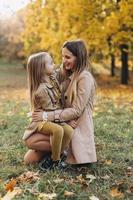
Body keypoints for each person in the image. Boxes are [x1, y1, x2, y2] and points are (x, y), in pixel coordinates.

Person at [24, 39, 97, 165]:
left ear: (79, 57)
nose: (63, 61)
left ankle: (58, 156)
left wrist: (46, 116)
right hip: (61, 123)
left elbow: (76, 110)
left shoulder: (84, 78)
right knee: (29, 154)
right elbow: (46, 76)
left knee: (32, 143)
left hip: (74, 127)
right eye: (63, 56)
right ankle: (56, 152)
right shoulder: (65, 72)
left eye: (68, 57)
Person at [23, 52, 73, 168]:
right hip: (42, 121)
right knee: (58, 130)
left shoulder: (52, 79)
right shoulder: (41, 90)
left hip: (52, 117)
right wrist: (65, 116)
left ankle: (57, 154)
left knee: (69, 130)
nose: (54, 64)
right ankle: (55, 161)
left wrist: (66, 61)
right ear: (41, 69)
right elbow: (50, 110)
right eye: (50, 63)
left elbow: (60, 71)